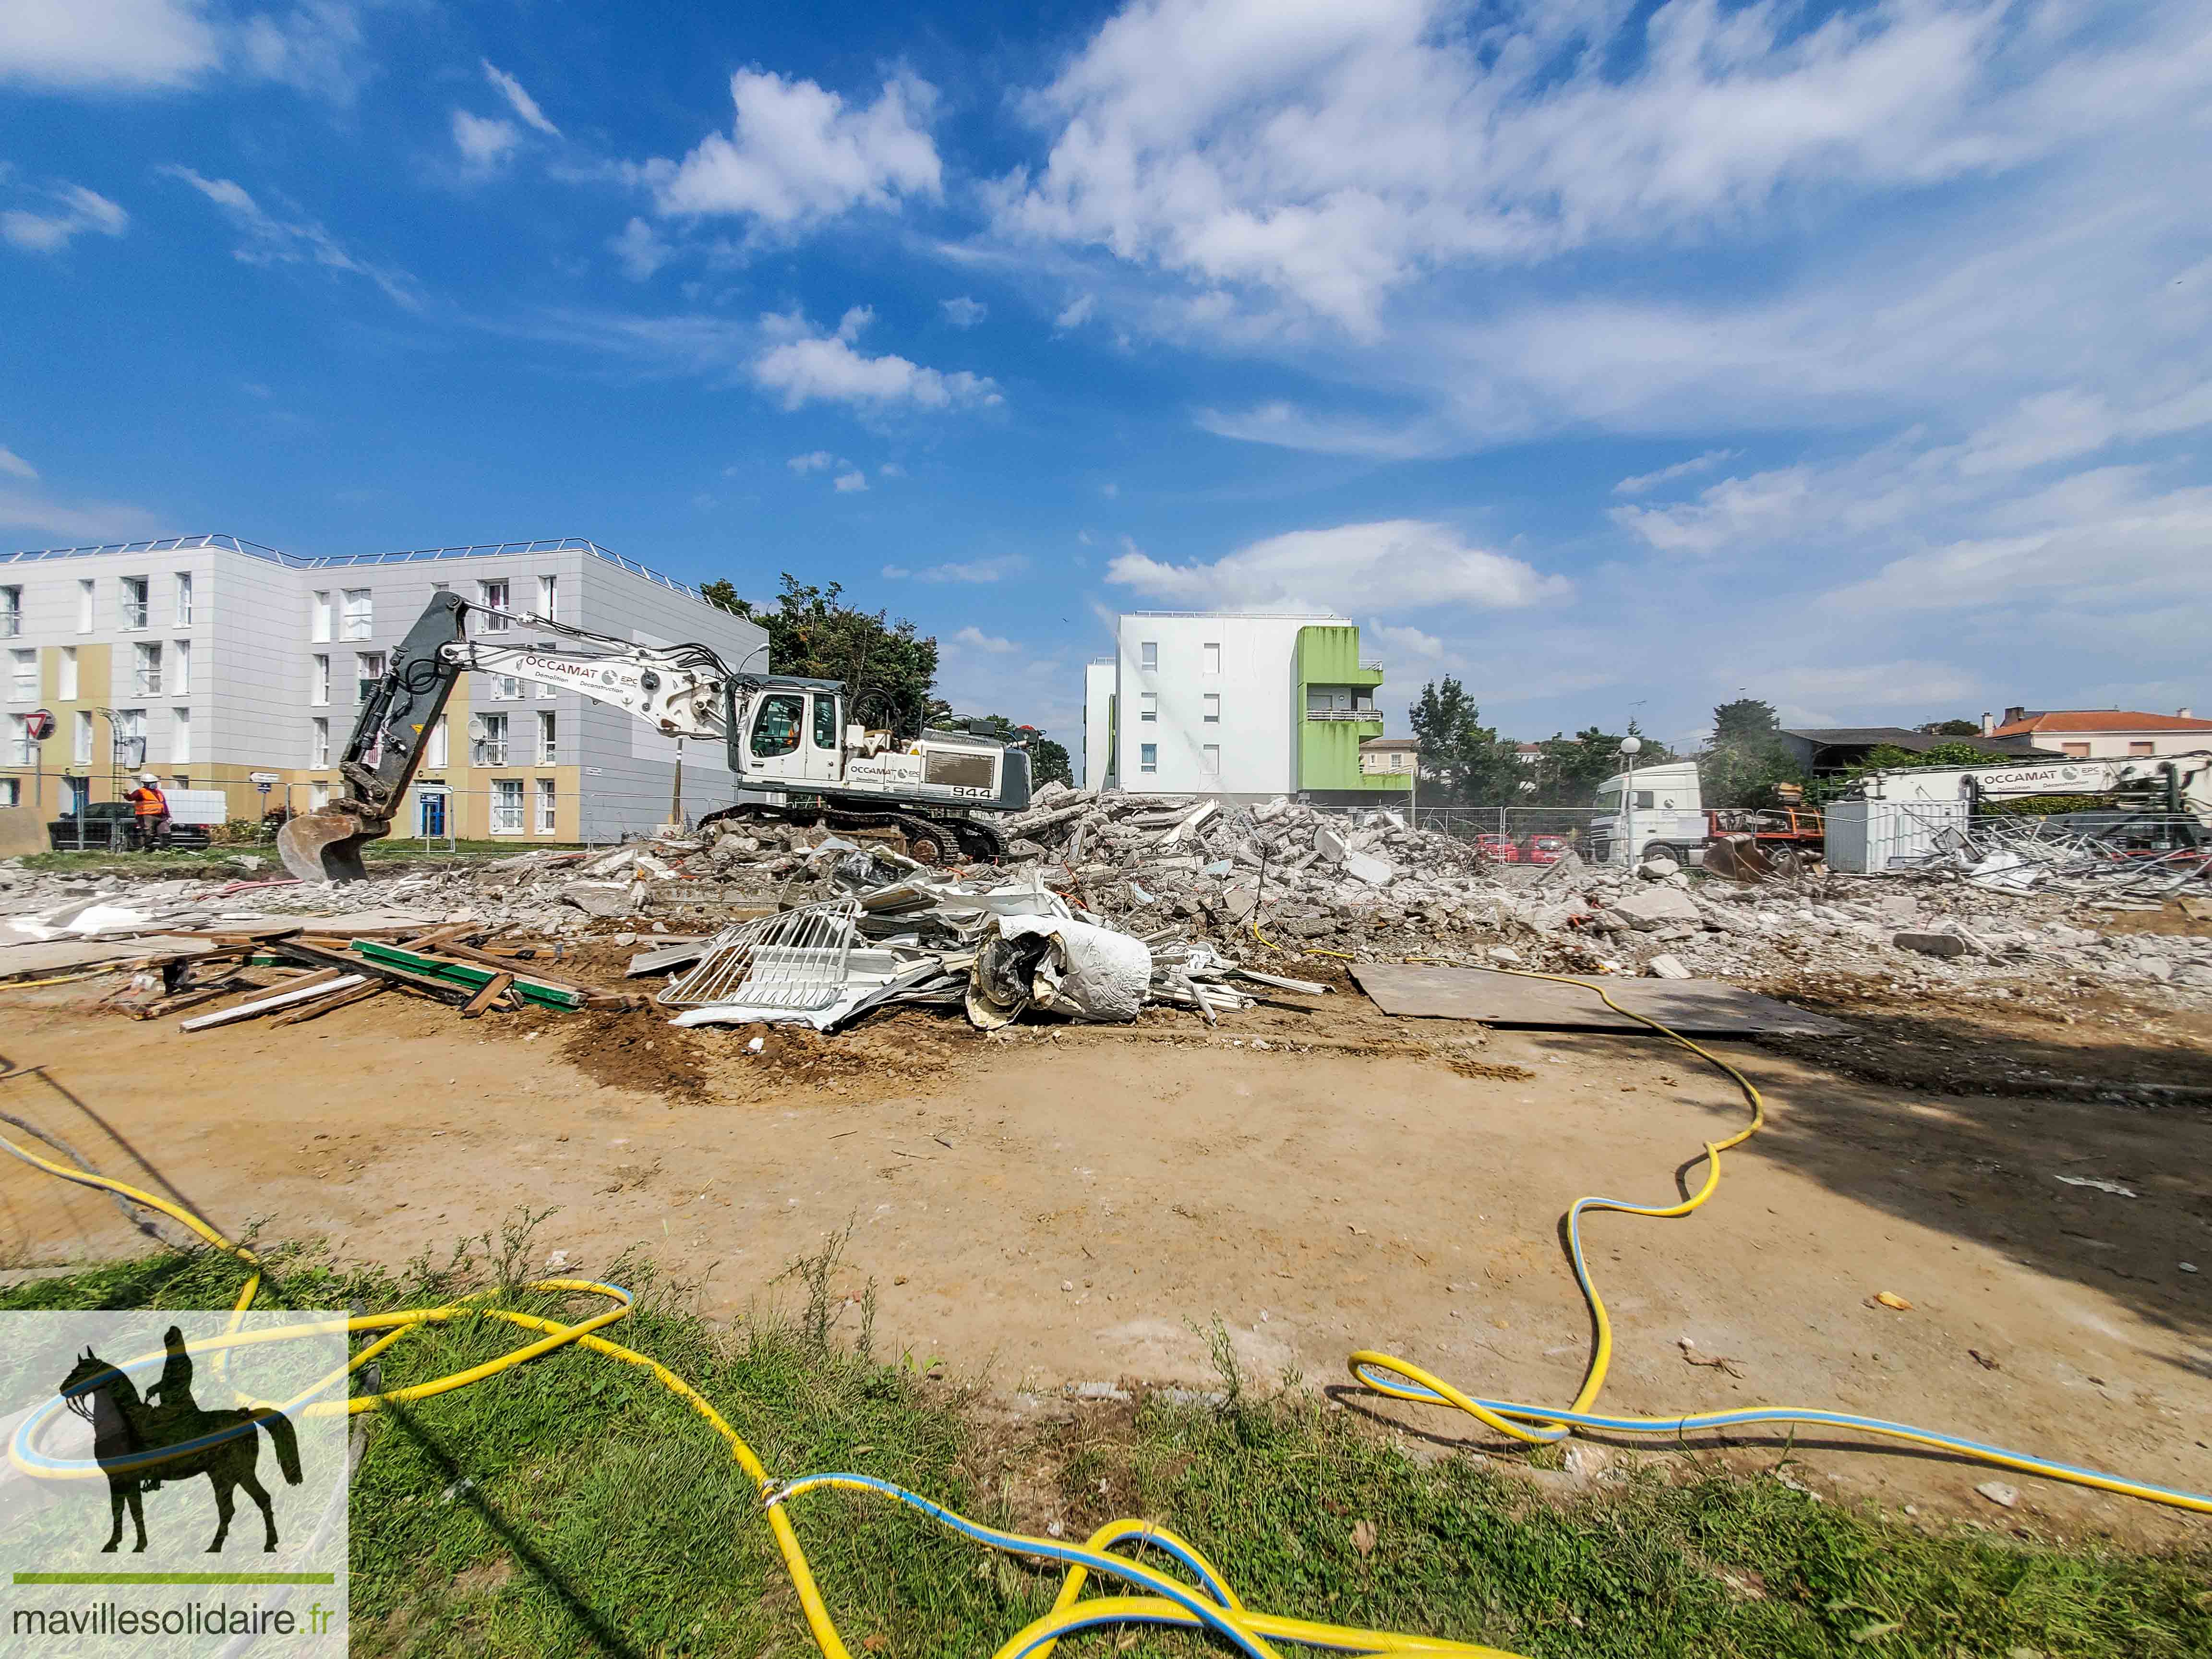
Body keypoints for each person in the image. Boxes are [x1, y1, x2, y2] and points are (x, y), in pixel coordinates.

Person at [125, 772, 170, 851]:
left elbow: (163, 804)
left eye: (155, 783)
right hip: (146, 816)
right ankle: (147, 848)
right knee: (148, 833)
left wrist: (168, 815)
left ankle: (166, 848)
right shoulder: (141, 792)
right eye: (153, 783)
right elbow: (131, 798)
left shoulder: (159, 792)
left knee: (165, 832)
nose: (155, 784)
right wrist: (126, 795)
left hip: (161, 816)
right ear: (146, 783)